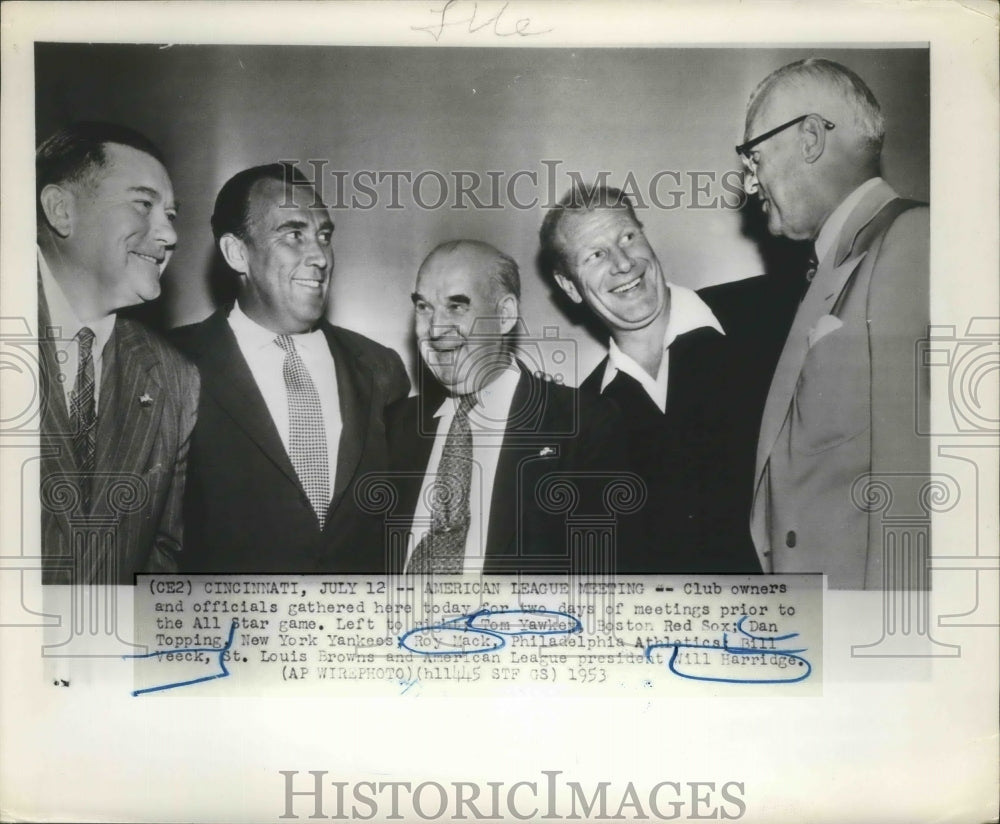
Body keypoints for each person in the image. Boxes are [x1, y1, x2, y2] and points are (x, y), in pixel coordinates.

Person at [737, 58, 929, 588]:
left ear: (808, 139)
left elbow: (912, 489)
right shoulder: (837, 265)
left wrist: (891, 649)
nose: (751, 184)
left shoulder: (909, 239)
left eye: (754, 158)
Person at [171, 163, 409, 573]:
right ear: (236, 253)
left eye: (324, 236)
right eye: (294, 235)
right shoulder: (172, 363)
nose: (319, 256)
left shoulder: (380, 368)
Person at [540, 185, 765, 574]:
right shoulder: (583, 423)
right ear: (569, 287)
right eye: (595, 255)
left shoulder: (768, 310)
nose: (624, 263)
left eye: (628, 237)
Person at [385, 240, 624, 574]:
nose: (435, 330)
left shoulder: (582, 425)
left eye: (456, 306)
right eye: (424, 307)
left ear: (505, 315)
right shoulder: (393, 426)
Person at [36, 121, 198, 584]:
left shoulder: (174, 378)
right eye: (143, 205)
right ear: (60, 210)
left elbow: (161, 559)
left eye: (170, 214)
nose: (169, 235)